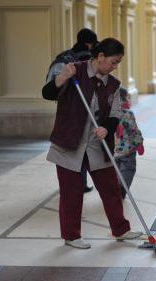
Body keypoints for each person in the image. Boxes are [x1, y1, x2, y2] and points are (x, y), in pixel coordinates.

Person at [42, 38, 142, 249]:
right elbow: (47, 93)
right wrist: (61, 78)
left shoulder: (113, 84)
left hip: (97, 143)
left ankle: (121, 229)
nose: (115, 67)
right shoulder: (73, 72)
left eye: (118, 63)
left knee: (110, 188)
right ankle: (71, 236)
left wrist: (107, 128)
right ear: (100, 56)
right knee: (72, 191)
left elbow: (115, 113)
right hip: (69, 143)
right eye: (113, 62)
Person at [45, 28, 99, 194]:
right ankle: (81, 184)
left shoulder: (62, 59)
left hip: (67, 114)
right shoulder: (91, 59)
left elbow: (49, 90)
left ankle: (74, 185)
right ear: (89, 43)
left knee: (71, 153)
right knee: (85, 152)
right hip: (88, 115)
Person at [114, 88, 144, 199]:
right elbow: (134, 130)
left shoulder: (111, 113)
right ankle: (122, 187)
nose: (129, 100)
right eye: (128, 97)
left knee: (116, 169)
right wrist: (139, 143)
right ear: (123, 99)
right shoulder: (128, 113)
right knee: (128, 169)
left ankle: (115, 186)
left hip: (114, 150)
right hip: (128, 150)